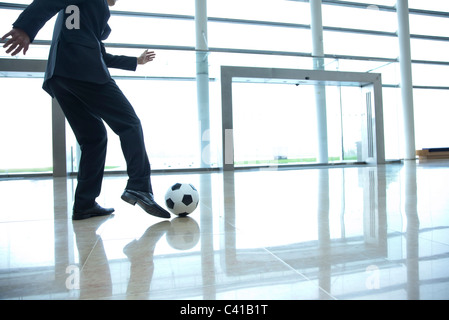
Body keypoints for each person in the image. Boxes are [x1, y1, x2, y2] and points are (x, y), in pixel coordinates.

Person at [1, 0, 171, 220]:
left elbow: (101, 53)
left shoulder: (92, 10)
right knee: (129, 123)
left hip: (61, 75)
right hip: (85, 70)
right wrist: (25, 28)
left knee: (94, 137)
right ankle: (139, 186)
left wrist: (135, 61)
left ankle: (84, 204)